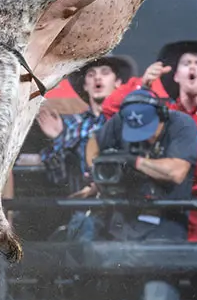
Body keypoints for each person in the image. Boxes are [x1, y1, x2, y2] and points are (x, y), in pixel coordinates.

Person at [105, 40, 197, 243]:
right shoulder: (164, 114)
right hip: (167, 214)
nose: (192, 67)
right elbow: (111, 109)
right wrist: (143, 84)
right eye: (186, 63)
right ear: (176, 75)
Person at [82, 90, 197, 300]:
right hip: (125, 221)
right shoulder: (121, 120)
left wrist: (134, 161)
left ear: (161, 115)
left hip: (165, 222)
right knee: (113, 298)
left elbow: (176, 172)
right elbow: (94, 143)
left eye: (148, 130)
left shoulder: (181, 124)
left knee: (157, 298)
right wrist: (96, 171)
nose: (143, 137)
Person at [26, 55, 134, 200]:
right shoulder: (72, 124)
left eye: (105, 72)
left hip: (121, 203)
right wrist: (58, 138)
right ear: (85, 85)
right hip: (83, 206)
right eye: (91, 74)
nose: (97, 78)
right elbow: (58, 178)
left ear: (118, 82)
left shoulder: (128, 119)